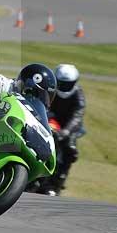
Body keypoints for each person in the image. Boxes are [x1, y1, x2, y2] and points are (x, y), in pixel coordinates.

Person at [38, 63, 86, 196]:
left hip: (69, 127)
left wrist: (65, 132)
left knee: (70, 150)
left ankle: (56, 184)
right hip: (50, 120)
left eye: (68, 84)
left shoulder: (78, 95)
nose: (64, 87)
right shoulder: (49, 89)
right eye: (62, 83)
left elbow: (77, 115)